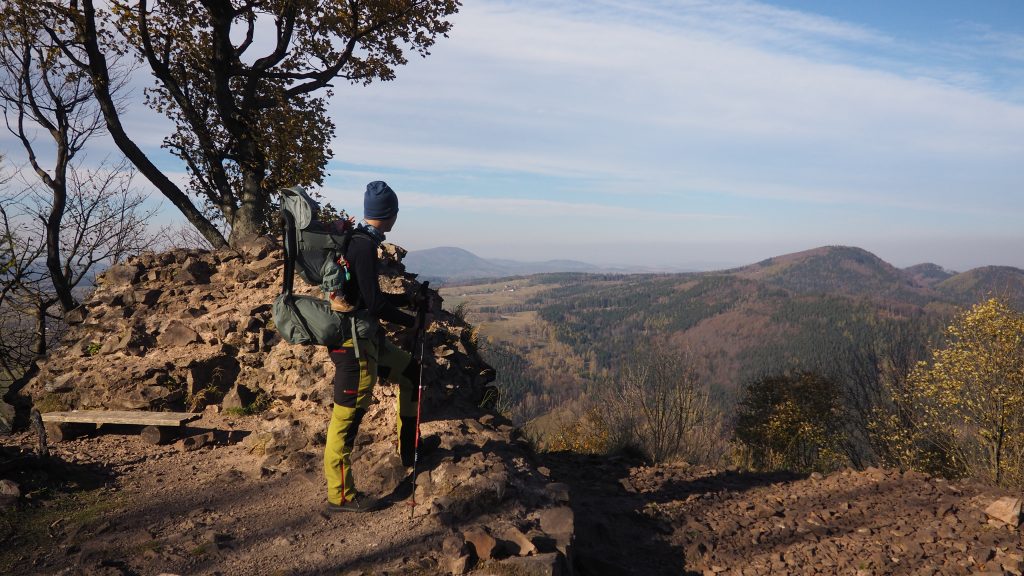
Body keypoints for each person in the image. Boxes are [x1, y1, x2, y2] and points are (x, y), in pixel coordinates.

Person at [322, 181, 425, 513]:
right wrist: (411, 321)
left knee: (411, 371)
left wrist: (407, 299)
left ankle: (409, 449)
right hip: (354, 346)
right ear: (390, 214)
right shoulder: (364, 246)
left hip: (368, 338)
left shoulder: (360, 240)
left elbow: (369, 298)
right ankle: (340, 496)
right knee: (347, 418)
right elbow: (376, 304)